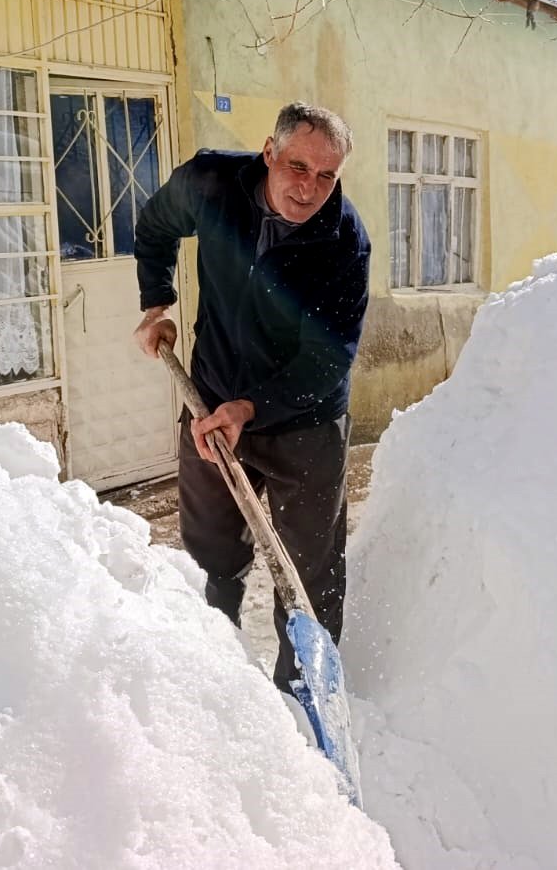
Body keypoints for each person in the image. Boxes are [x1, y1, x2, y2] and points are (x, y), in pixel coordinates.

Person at [132, 101, 370, 692]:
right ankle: (213, 668)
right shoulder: (212, 183)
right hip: (212, 398)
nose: (308, 187)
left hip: (304, 421)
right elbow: (157, 223)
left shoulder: (344, 241)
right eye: (297, 166)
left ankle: (300, 693)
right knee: (210, 550)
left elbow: (328, 357)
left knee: (310, 572)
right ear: (269, 152)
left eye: (326, 175)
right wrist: (155, 303)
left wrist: (251, 408)